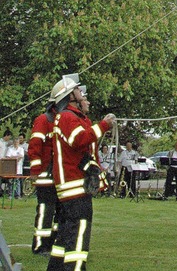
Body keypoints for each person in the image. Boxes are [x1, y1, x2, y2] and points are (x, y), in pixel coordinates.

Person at [47, 74, 116, 271]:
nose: (81, 92)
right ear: (69, 96)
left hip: (75, 187)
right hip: (75, 188)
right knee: (78, 236)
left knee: (66, 234)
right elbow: (79, 141)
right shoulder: (68, 117)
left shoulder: (72, 117)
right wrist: (103, 125)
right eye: (77, 89)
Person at [28, 100, 59, 255]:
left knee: (58, 213)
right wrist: (35, 170)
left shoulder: (61, 120)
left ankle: (52, 243)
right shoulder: (43, 120)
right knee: (45, 211)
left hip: (59, 175)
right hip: (45, 174)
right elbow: (35, 145)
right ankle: (40, 245)